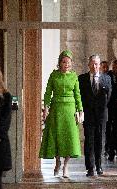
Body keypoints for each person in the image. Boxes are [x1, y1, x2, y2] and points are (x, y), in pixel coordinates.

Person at [39, 50, 83, 178]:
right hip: (56, 108)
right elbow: (48, 93)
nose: (66, 64)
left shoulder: (74, 76)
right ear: (59, 63)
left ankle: (66, 166)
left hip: (70, 109)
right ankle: (57, 161)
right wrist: (46, 107)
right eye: (64, 62)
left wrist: (80, 110)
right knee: (57, 136)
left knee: (69, 137)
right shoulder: (54, 75)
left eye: (68, 62)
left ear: (71, 63)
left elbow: (77, 94)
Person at [78, 54, 112, 177]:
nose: (95, 66)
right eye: (92, 63)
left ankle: (99, 166)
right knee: (89, 142)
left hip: (102, 115)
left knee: (100, 142)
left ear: (100, 65)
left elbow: (109, 96)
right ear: (89, 65)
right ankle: (90, 168)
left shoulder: (107, 78)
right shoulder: (81, 78)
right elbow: (79, 96)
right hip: (88, 115)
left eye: (97, 64)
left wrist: (101, 107)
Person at [105, 59, 117, 161]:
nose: (115, 69)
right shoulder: (108, 77)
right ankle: (110, 151)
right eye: (114, 67)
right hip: (109, 107)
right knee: (109, 131)